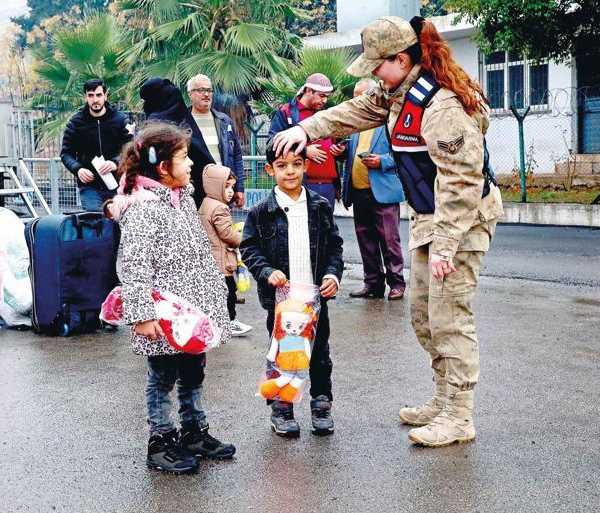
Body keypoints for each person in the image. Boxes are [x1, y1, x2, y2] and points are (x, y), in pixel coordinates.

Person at [272, 16, 504, 448]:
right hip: (427, 217)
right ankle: (442, 398)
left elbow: (462, 183)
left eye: (377, 66)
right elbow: (355, 111)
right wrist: (304, 128)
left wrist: (446, 246)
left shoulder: (442, 107)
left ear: (401, 59)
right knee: (423, 317)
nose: (374, 76)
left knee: (450, 316)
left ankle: (459, 415)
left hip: (462, 221)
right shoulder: (397, 92)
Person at [106, 122, 235, 475]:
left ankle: (194, 431)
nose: (191, 163)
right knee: (162, 377)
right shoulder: (144, 208)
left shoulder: (181, 199)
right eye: (183, 157)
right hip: (163, 317)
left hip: (191, 315)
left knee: (194, 370)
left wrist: (215, 295)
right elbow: (133, 266)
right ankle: (161, 440)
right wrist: (142, 315)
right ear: (163, 167)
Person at [240, 141, 343, 438]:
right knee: (283, 354)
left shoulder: (319, 206)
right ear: (270, 169)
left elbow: (335, 246)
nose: (290, 171)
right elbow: (249, 248)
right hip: (281, 302)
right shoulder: (261, 211)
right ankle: (282, 409)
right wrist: (267, 271)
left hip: (314, 300)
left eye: (297, 164)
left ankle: (321, 405)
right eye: (282, 166)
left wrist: (333, 275)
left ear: (306, 166)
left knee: (319, 354)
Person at [342, 78, 406, 301]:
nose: (357, 100)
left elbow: (403, 154)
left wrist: (383, 161)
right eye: (355, 96)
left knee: (389, 241)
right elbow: (351, 152)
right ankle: (372, 284)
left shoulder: (390, 120)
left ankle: (397, 283)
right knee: (366, 241)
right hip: (358, 191)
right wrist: (340, 152)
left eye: (362, 95)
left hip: (383, 191)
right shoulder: (357, 123)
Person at [138, 76, 245, 208]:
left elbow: (236, 154)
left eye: (209, 90)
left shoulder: (223, 121)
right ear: (190, 94)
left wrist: (235, 186)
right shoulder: (182, 120)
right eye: (201, 90)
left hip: (194, 193)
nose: (206, 94)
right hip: (186, 194)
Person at [267, 73, 345, 209]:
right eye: (322, 96)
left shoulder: (325, 114)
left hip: (328, 185)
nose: (325, 100)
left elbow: (337, 144)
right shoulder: (286, 112)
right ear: (309, 91)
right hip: (300, 184)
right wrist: (305, 151)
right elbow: (272, 143)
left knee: (326, 228)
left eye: (327, 96)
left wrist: (340, 151)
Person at [197, 163, 253, 337]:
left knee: (215, 293)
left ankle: (215, 322)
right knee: (228, 292)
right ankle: (230, 322)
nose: (230, 191)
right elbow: (227, 234)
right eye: (226, 186)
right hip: (221, 259)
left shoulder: (206, 203)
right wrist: (243, 240)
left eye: (232, 187)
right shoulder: (220, 208)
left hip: (210, 258)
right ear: (215, 186)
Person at [60, 78, 132, 211]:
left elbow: (132, 149)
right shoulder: (76, 122)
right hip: (89, 186)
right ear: (85, 97)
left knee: (119, 222)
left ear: (105, 95)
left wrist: (116, 163)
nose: (95, 100)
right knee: (94, 222)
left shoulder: (121, 120)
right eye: (90, 95)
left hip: (118, 184)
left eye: (98, 95)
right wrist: (78, 169)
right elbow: (66, 153)